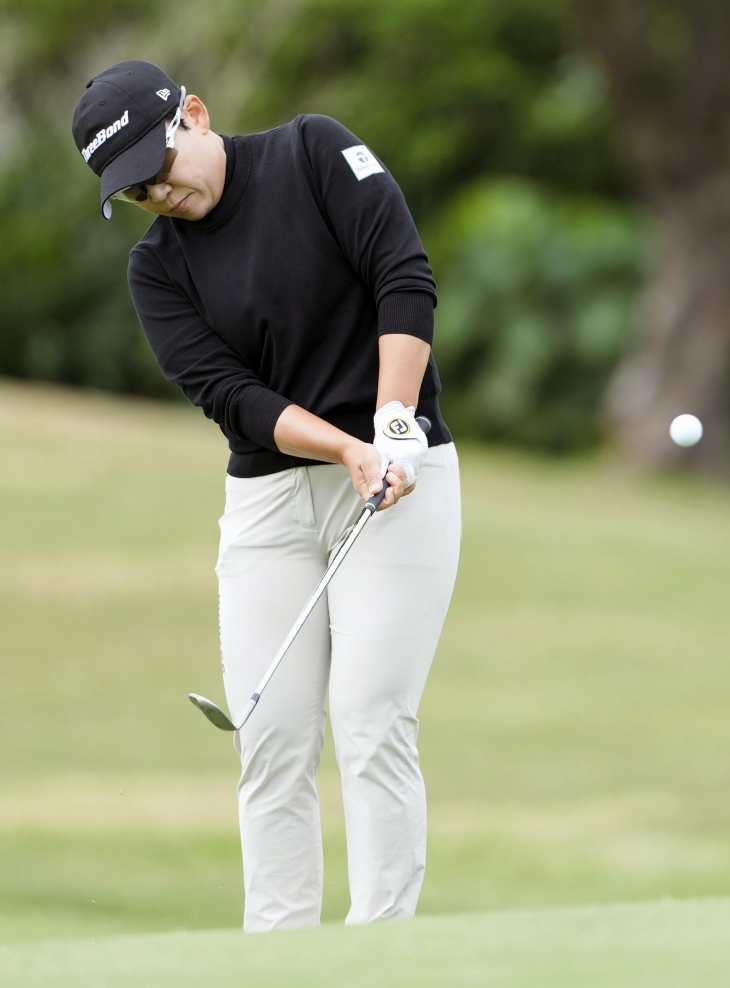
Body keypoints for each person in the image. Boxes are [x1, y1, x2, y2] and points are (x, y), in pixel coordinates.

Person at [72, 60, 461, 932]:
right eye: (135, 192)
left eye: (157, 168)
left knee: (369, 718)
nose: (159, 196)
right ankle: (278, 958)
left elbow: (402, 274)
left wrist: (393, 422)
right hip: (272, 504)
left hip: (400, 480)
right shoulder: (156, 270)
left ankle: (380, 951)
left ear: (195, 114)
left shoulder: (311, 153)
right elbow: (232, 397)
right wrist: (344, 447)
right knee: (272, 739)